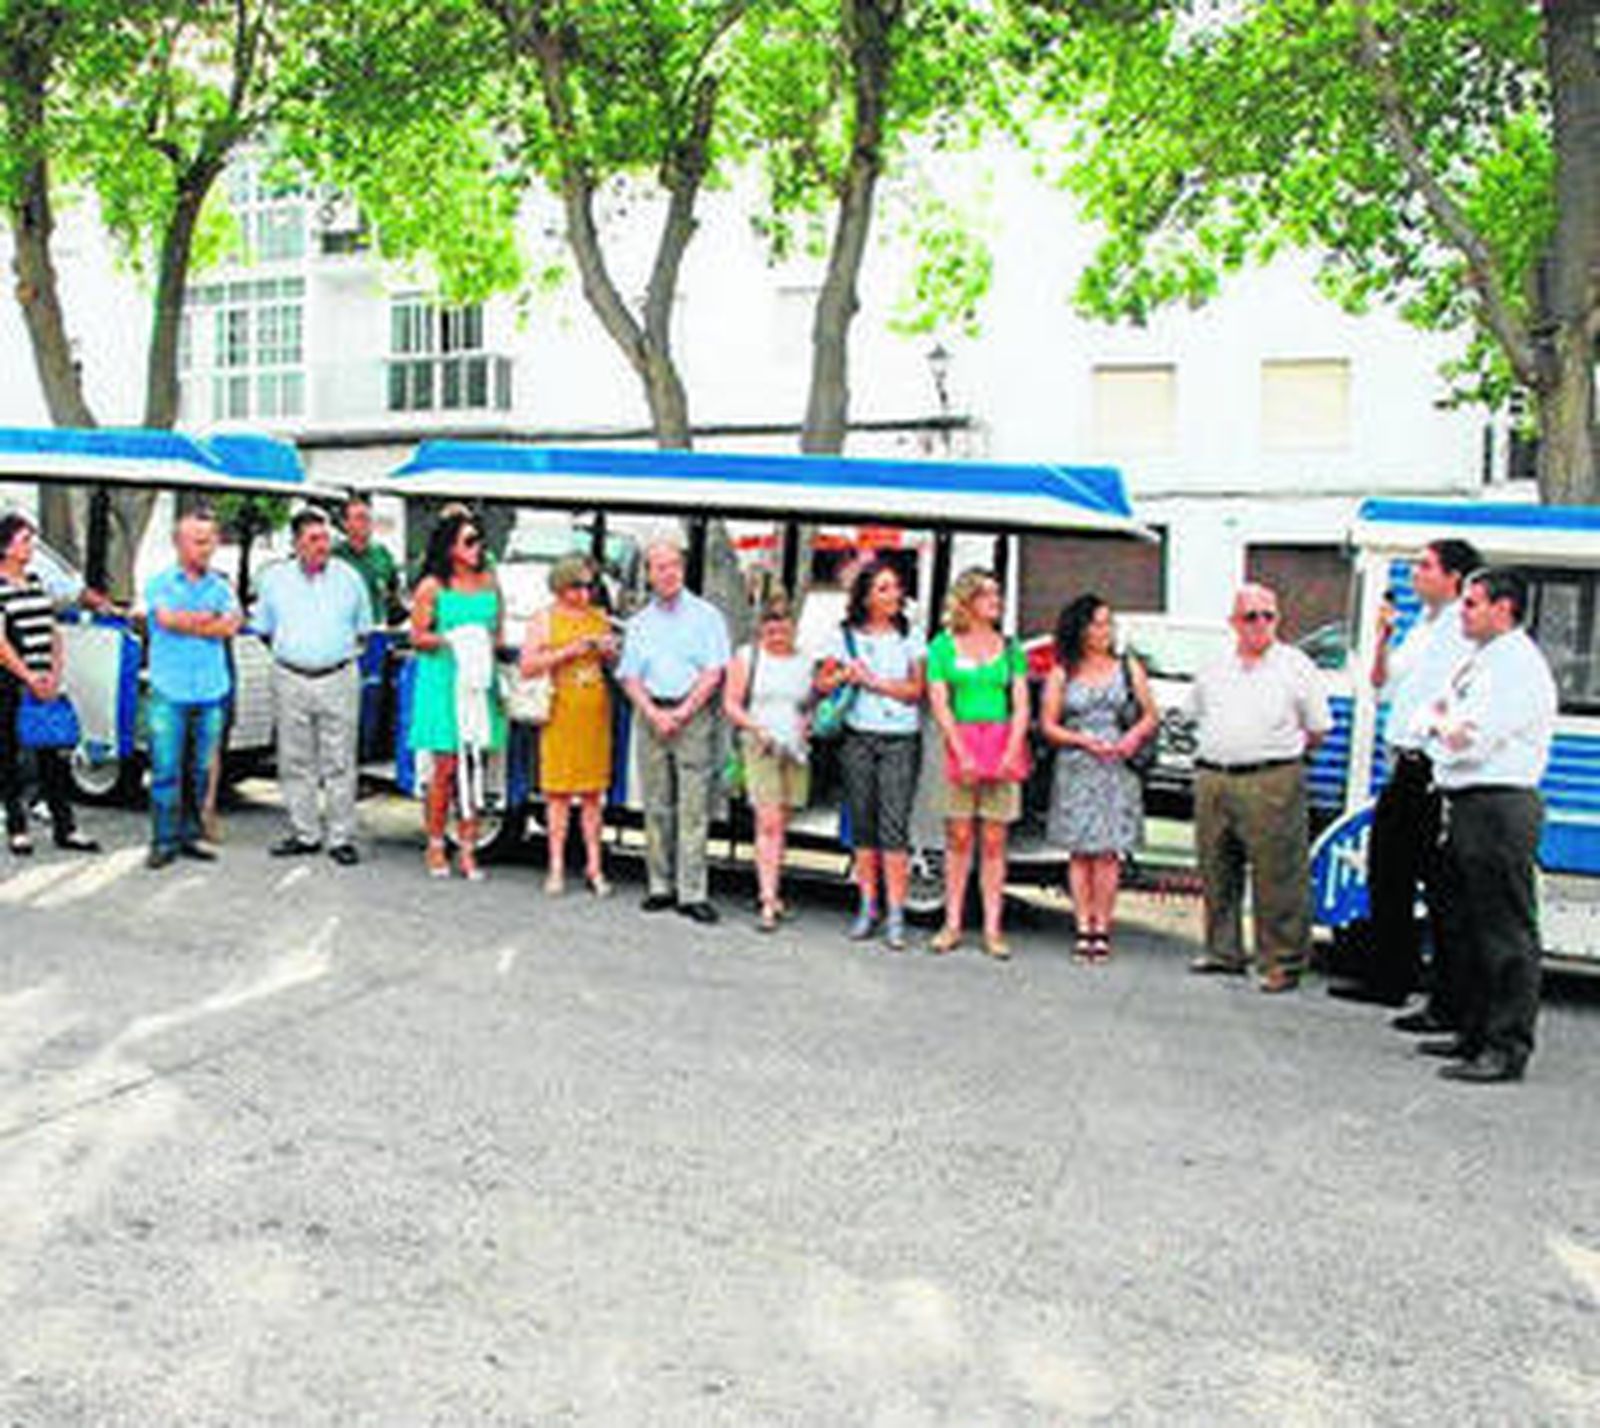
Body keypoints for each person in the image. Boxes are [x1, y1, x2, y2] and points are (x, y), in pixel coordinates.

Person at [1414, 568, 1557, 1084]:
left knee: (1504, 932)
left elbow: (1469, 738)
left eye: (1472, 603)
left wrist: (1441, 726)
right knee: (1468, 926)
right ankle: (1473, 1031)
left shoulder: (1517, 665)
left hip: (1500, 804)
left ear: (1503, 608)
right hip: (1467, 801)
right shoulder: (1480, 662)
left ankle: (1506, 1045)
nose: (1463, 613)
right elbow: (1429, 718)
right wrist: (1439, 725)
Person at [1327, 538, 1479, 1015]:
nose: (1415, 574)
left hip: (1430, 767)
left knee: (1437, 883)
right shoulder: (1422, 624)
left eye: (1426, 567)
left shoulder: (1460, 629)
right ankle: (1389, 973)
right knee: (1388, 870)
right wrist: (1383, 638)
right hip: (1402, 764)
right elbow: (1382, 682)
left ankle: (1447, 995)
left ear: (1454, 578)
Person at [1188, 583, 1331, 991]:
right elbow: (1195, 712)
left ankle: (1281, 961)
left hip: (1271, 777)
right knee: (1216, 867)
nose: (1261, 624)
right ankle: (1222, 951)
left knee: (1278, 873)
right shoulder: (1215, 664)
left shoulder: (1296, 665)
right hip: (1214, 776)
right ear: (1234, 621)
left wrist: (1280, 756)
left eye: (1269, 615)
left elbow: (1318, 728)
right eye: (1251, 616)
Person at [618, 535, 730, 924]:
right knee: (657, 805)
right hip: (650, 714)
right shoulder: (639, 623)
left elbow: (714, 671)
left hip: (692, 715)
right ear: (648, 574)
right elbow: (629, 676)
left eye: (673, 566)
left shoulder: (707, 617)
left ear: (682, 569)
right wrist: (653, 712)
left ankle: (692, 892)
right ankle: (660, 886)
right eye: (659, 567)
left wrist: (682, 712)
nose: (667, 574)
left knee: (694, 807)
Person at [252, 508, 373, 865]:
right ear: (295, 543)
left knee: (340, 760)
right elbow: (264, 629)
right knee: (295, 759)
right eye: (313, 539)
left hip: (338, 676)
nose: (323, 546)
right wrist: (295, 655)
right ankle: (305, 833)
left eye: (325, 538)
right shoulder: (274, 579)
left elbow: (363, 631)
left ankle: (340, 837)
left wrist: (330, 656)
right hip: (290, 677)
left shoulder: (349, 578)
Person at [817, 559, 926, 951]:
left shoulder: (911, 636)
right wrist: (845, 675)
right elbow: (822, 682)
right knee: (863, 826)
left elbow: (916, 690)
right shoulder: (844, 635)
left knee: (893, 829)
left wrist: (875, 682)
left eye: (895, 587)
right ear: (865, 597)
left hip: (900, 739)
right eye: (884, 588)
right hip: (858, 737)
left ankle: (896, 913)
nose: (894, 595)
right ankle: (867, 906)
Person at [1041, 593, 1156, 962]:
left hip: (1117, 764)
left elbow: (1150, 714)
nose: (1105, 631)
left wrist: (1131, 739)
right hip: (1077, 765)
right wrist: (1081, 740)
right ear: (1080, 628)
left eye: (1109, 623)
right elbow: (1048, 724)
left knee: (1108, 852)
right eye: (1097, 624)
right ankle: (1082, 924)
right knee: (1080, 851)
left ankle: (1102, 926)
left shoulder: (1128, 667)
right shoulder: (1063, 671)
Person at [926, 568, 1030, 960]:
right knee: (958, 836)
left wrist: (1012, 749)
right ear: (967, 601)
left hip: (1001, 743)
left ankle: (992, 927)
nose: (996, 602)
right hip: (962, 744)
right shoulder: (943, 646)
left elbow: (1021, 704)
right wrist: (960, 751)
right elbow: (941, 704)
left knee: (994, 839)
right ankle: (952, 922)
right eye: (988, 595)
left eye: (998, 595)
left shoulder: (1011, 648)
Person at [143, 508, 242, 869]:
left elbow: (230, 626)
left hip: (210, 690)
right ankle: (163, 841)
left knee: (201, 770)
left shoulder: (221, 586)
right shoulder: (160, 583)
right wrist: (208, 621)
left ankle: (191, 835)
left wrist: (190, 622)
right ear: (179, 544)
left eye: (211, 540)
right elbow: (166, 619)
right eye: (199, 541)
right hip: (169, 690)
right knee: (166, 770)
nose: (207, 548)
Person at [409, 512, 506, 881]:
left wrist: (484, 647)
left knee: (475, 765)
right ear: (450, 547)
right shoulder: (432, 587)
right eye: (469, 541)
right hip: (442, 683)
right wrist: (455, 639)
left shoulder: (489, 582)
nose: (477, 547)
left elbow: (497, 633)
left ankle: (468, 847)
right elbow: (418, 637)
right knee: (446, 767)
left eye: (479, 539)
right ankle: (436, 843)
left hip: (478, 683)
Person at [0, 513, 100, 856]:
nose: (30, 547)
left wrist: (54, 673)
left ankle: (65, 826)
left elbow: (52, 630)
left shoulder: (35, 582)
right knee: (9, 755)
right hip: (11, 682)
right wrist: (27, 676)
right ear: (6, 547)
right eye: (24, 540)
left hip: (44, 678)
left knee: (53, 754)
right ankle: (17, 827)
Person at [520, 555, 617, 897]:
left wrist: (608, 650)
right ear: (561, 587)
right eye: (578, 587)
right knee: (557, 794)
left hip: (594, 712)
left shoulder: (599, 618)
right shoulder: (544, 619)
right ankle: (556, 866)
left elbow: (614, 662)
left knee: (593, 795)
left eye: (589, 586)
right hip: (559, 711)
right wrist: (570, 651)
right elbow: (528, 665)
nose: (585, 594)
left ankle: (595, 866)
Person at [723, 593, 814, 932]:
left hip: (795, 749)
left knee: (782, 823)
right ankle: (767, 899)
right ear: (761, 629)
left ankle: (772, 890)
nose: (777, 637)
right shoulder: (747, 657)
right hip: (760, 746)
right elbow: (731, 703)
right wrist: (755, 728)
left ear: (793, 629)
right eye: (770, 631)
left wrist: (810, 721)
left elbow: (809, 704)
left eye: (783, 631)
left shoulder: (805, 661)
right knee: (769, 822)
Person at [334, 494, 404, 626]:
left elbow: (394, 590)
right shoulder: (335, 556)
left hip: (376, 627)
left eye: (368, 518)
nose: (365, 523)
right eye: (359, 518)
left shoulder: (382, 554)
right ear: (345, 524)